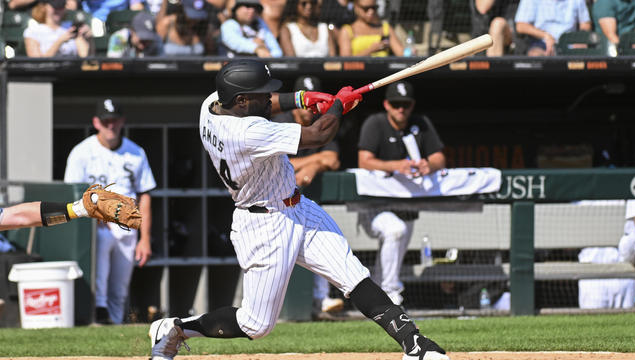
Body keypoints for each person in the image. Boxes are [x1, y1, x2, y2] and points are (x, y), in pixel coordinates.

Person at [148, 59, 449, 360]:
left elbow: (264, 102)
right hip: (264, 224)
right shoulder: (247, 132)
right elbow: (318, 135)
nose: (269, 99)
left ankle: (415, 344)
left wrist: (302, 98)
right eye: (261, 95)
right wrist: (339, 107)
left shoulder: (211, 105)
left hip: (298, 208)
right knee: (256, 325)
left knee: (354, 276)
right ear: (240, 101)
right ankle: (175, 329)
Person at [64, 98, 156, 325]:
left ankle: (113, 325)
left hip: (127, 224)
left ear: (122, 121)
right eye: (106, 121)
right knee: (101, 262)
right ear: (97, 122)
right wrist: (93, 214)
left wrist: (145, 238)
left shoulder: (136, 153)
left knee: (121, 287)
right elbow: (72, 191)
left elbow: (145, 194)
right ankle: (99, 310)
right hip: (96, 224)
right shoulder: (82, 152)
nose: (111, 126)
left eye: (114, 120)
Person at [357, 81, 446, 306]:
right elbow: (364, 160)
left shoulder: (420, 123)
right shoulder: (375, 123)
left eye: (405, 104)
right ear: (387, 104)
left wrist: (428, 165)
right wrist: (397, 165)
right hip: (374, 205)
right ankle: (389, 295)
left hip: (407, 206)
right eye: (396, 104)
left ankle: (375, 301)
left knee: (394, 252)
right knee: (394, 230)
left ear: (412, 105)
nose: (401, 109)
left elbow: (439, 158)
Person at [272, 75, 344, 318]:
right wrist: (315, 161)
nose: (309, 110)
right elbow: (283, 162)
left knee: (322, 238)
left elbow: (333, 159)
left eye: (312, 105)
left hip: (303, 202)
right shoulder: (279, 121)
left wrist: (312, 168)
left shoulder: (323, 123)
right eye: (305, 103)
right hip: (272, 203)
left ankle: (321, 299)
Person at [514, 0, 591, 56]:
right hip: (540, 42)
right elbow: (521, 26)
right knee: (535, 56)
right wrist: (545, 36)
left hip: (569, 43)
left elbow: (585, 24)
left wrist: (579, 39)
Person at [23, 0, 92, 57]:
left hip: (71, 71)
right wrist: (60, 41)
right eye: (55, 6)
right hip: (46, 72)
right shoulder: (32, 31)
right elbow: (37, 64)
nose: (58, 10)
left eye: (61, 6)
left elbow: (85, 57)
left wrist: (89, 40)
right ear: (45, 6)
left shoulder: (72, 27)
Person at [219, 0, 283, 57]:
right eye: (247, 6)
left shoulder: (260, 24)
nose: (252, 10)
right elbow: (234, 42)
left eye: (255, 7)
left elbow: (275, 49)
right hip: (234, 66)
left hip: (260, 65)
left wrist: (271, 56)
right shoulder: (229, 24)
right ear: (237, 9)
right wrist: (257, 48)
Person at [338, 0, 402, 56]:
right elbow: (345, 62)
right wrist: (370, 50)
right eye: (366, 8)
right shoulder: (347, 30)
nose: (371, 11)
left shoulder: (386, 28)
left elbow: (401, 53)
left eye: (374, 8)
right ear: (355, 7)